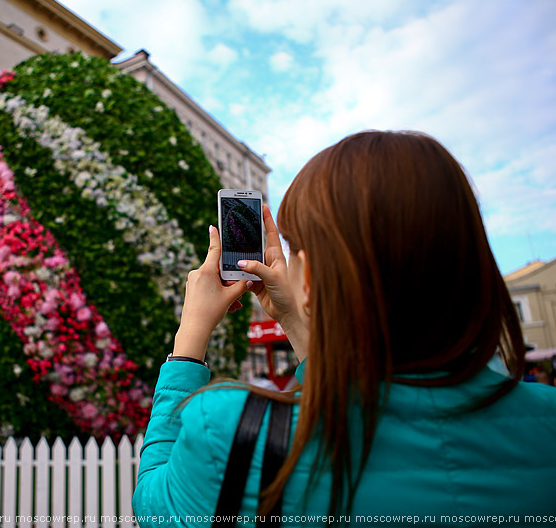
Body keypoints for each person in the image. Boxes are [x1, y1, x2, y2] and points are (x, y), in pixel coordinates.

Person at [132, 131, 556, 525]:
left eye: (295, 249)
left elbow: (153, 506)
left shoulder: (229, 430)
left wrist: (190, 337)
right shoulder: (547, 419)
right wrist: (294, 318)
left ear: (311, 277)